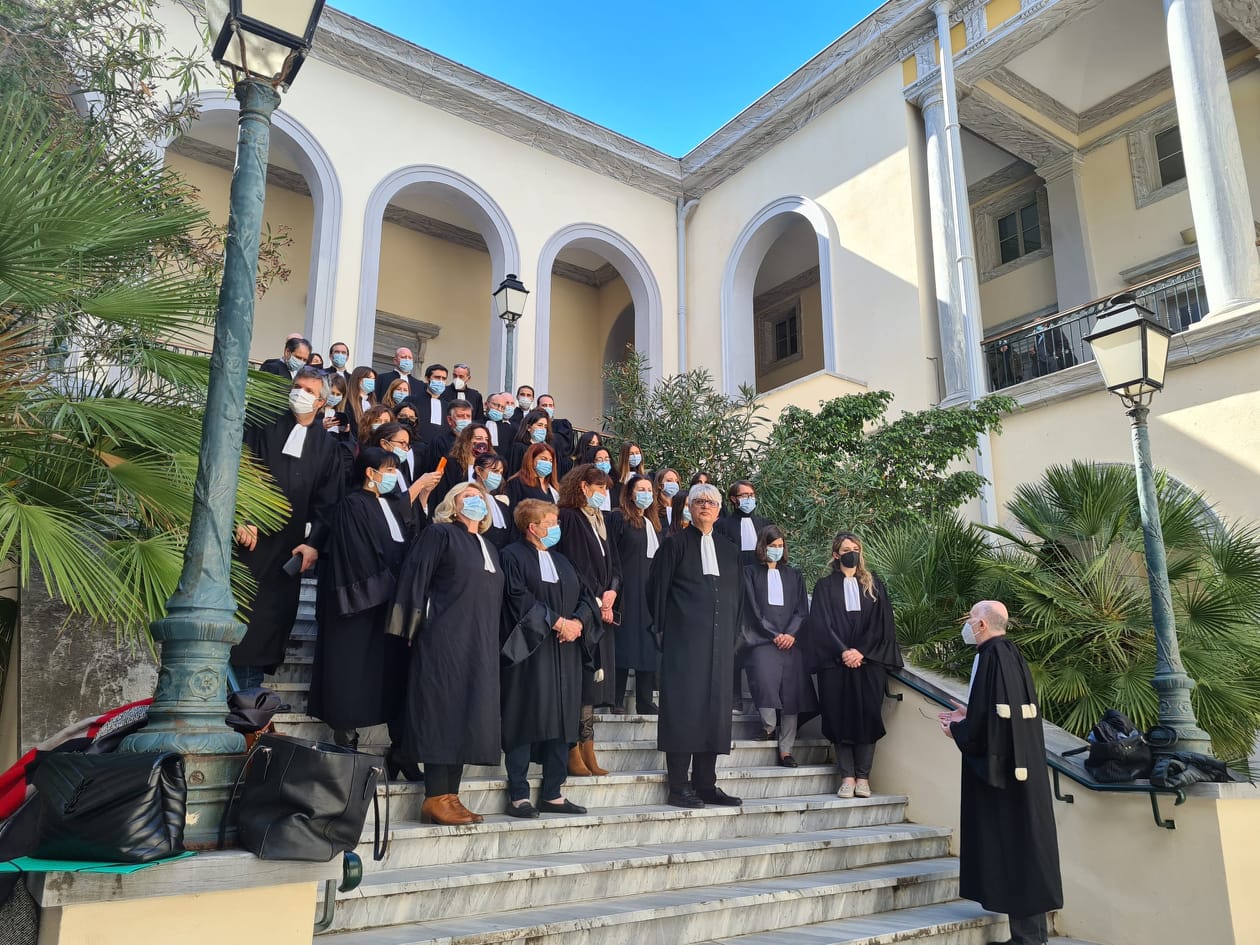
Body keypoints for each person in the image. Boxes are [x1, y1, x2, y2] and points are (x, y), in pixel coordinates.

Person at [938, 600, 1062, 945]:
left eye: (970, 618)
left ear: (981, 624)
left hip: (1005, 773)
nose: (966, 624)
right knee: (1022, 847)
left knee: (1016, 847)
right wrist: (969, 712)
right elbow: (998, 711)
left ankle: (1027, 938)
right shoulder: (1010, 655)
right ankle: (1028, 936)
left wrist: (958, 731)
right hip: (1019, 769)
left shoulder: (991, 656)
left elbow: (991, 725)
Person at [386, 481, 504, 826]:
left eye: (480, 498)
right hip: (443, 639)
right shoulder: (440, 535)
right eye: (468, 496)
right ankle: (435, 797)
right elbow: (415, 578)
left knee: (467, 716)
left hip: (479, 643)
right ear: (452, 504)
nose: (476, 502)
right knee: (444, 712)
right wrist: (408, 627)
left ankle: (452, 795)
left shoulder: (490, 547)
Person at [230, 367, 344, 688]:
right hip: (247, 542)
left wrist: (313, 545)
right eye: (297, 387)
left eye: (309, 391)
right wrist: (243, 515)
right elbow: (243, 468)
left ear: (321, 402)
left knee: (268, 627)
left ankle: (248, 700)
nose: (300, 394)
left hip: (287, 551)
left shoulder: (328, 447)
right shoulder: (263, 425)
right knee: (240, 620)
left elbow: (328, 503)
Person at [310, 447, 415, 775]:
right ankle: (346, 740)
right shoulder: (352, 505)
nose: (393, 475)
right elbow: (357, 555)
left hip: (391, 607)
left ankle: (401, 751)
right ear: (370, 472)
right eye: (388, 469)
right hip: (361, 606)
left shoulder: (395, 507)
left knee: (395, 676)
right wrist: (391, 586)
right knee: (351, 675)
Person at [498, 499, 598, 817]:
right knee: (525, 718)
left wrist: (579, 623)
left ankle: (553, 793)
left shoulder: (562, 560)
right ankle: (519, 795)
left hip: (565, 651)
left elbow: (586, 595)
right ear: (533, 527)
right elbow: (516, 596)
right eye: (551, 522)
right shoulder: (511, 556)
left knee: (562, 722)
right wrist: (557, 622)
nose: (557, 528)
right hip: (531, 652)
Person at [647, 483, 744, 809]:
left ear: (719, 511)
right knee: (683, 712)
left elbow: (738, 599)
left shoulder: (729, 550)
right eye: (699, 501)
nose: (705, 506)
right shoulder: (674, 546)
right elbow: (656, 592)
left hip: (720, 646)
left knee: (714, 714)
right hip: (683, 645)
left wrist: (734, 636)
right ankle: (679, 786)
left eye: (711, 502)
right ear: (688, 507)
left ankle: (706, 784)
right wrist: (664, 632)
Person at [804, 531, 902, 799]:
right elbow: (821, 624)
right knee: (838, 718)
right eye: (846, 548)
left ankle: (863, 777)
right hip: (835, 664)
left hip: (868, 663)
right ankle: (846, 777)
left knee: (868, 718)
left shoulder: (874, 584)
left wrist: (861, 651)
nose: (852, 552)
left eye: (855, 548)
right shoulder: (824, 586)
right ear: (836, 554)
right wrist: (844, 651)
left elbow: (882, 625)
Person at [555, 464, 620, 777]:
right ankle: (572, 750)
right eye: (599, 487)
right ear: (582, 486)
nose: (604, 494)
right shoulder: (568, 516)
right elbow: (571, 562)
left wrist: (612, 592)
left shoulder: (601, 521)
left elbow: (614, 565)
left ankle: (588, 746)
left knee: (593, 686)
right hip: (580, 609)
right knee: (580, 682)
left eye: (606, 488)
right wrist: (593, 597)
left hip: (601, 611)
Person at [741, 525, 816, 766]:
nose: (776, 550)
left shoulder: (794, 574)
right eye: (772, 546)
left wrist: (790, 634)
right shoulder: (749, 573)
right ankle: (768, 727)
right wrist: (774, 634)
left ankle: (786, 750)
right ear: (763, 546)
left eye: (780, 546)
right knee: (764, 683)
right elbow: (752, 609)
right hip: (762, 640)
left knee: (792, 695)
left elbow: (801, 610)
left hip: (791, 642)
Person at [608, 474, 661, 714]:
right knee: (624, 643)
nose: (646, 493)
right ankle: (616, 700)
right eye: (641, 489)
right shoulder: (619, 518)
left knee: (648, 646)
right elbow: (611, 554)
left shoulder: (654, 523)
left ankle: (645, 700)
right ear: (630, 493)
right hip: (627, 590)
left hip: (649, 592)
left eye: (649, 489)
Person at [716, 479, 770, 710]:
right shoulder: (723, 526)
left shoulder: (764, 524)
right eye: (744, 495)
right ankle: (734, 697)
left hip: (760, 587)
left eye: (752, 494)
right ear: (733, 499)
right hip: (734, 587)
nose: (749, 499)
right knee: (736, 642)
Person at [505, 443, 561, 537]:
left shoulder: (553, 487)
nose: (548, 463)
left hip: (548, 540)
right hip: (526, 538)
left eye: (550, 461)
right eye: (543, 459)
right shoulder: (517, 482)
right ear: (531, 459)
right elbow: (512, 515)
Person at [420, 399, 475, 473]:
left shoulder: (476, 441)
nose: (465, 419)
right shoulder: (439, 442)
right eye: (460, 416)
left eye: (468, 416)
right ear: (449, 420)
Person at [473, 452, 512, 548]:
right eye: (494, 471)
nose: (498, 476)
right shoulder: (468, 499)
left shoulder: (502, 506)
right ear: (478, 470)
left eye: (500, 473)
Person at [412, 363, 450, 447]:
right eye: (437, 377)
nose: (440, 381)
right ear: (427, 379)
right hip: (417, 448)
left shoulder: (448, 406)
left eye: (443, 379)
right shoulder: (412, 400)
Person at [537, 393, 574, 475]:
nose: (548, 408)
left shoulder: (562, 425)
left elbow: (566, 446)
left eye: (550, 405)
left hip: (557, 468)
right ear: (538, 407)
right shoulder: (533, 427)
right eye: (544, 405)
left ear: (554, 407)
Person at [508, 408, 553, 476]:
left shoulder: (546, 449)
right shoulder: (519, 447)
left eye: (545, 427)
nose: (543, 429)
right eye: (539, 425)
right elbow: (514, 472)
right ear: (529, 427)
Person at [484, 391, 518, 459]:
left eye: (502, 407)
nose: (498, 409)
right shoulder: (476, 424)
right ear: (486, 404)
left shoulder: (509, 428)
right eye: (495, 405)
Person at [610, 441, 644, 508]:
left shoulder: (644, 476)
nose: (635, 456)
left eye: (637, 453)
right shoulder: (615, 476)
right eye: (631, 454)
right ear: (625, 456)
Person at [653, 468, 681, 533]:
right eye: (669, 480)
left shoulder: (680, 508)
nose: (674, 484)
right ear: (660, 485)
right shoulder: (653, 509)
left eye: (676, 481)